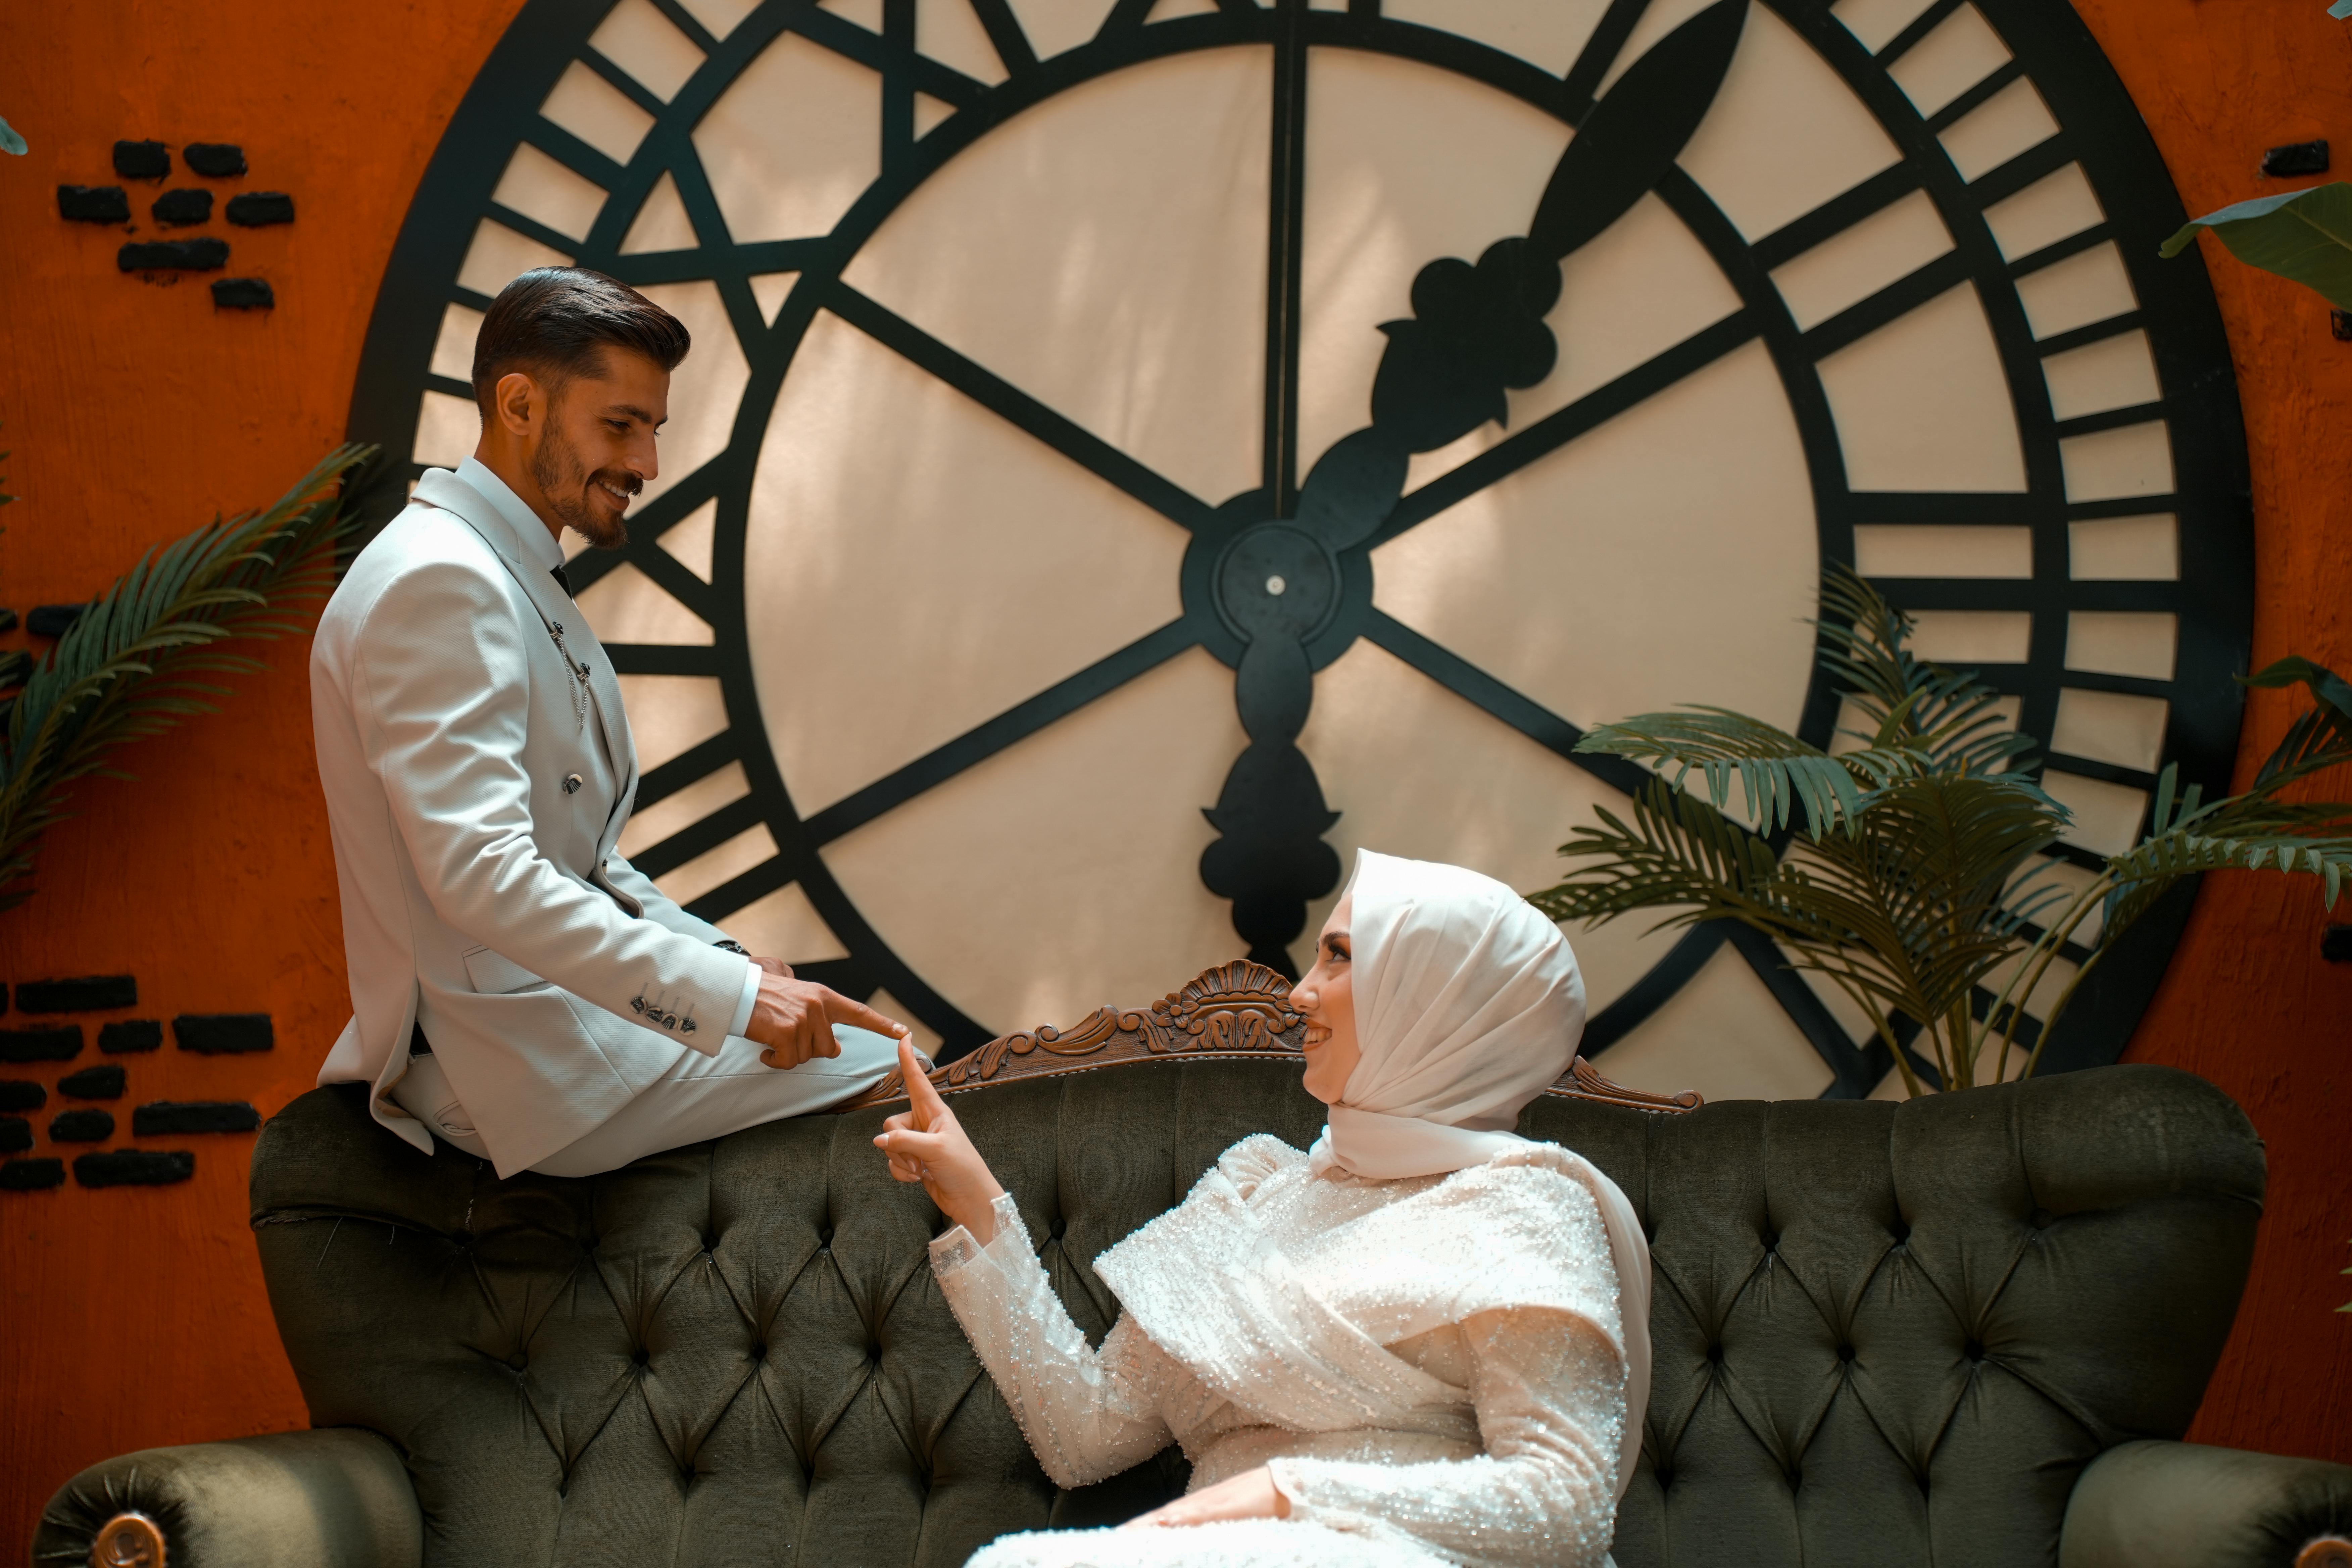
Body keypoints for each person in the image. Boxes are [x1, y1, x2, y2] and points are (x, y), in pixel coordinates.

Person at [874, 849, 1652, 1568]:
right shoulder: (1256, 1189)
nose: (1301, 989)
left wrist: (1286, 1494)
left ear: (1429, 997)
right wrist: (974, 1197)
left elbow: (1566, 1509)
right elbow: (1086, 1436)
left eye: (1340, 956)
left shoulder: (1525, 1204)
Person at [312, 265, 912, 1179]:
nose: (646, 466)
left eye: (653, 429)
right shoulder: (441, 584)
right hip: (510, 1061)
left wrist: (722, 959)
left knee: (884, 1061)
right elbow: (483, 877)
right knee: (903, 1077)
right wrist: (733, 1000)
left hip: (553, 1025)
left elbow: (580, 855)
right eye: (619, 427)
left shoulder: (491, 569)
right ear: (519, 405)